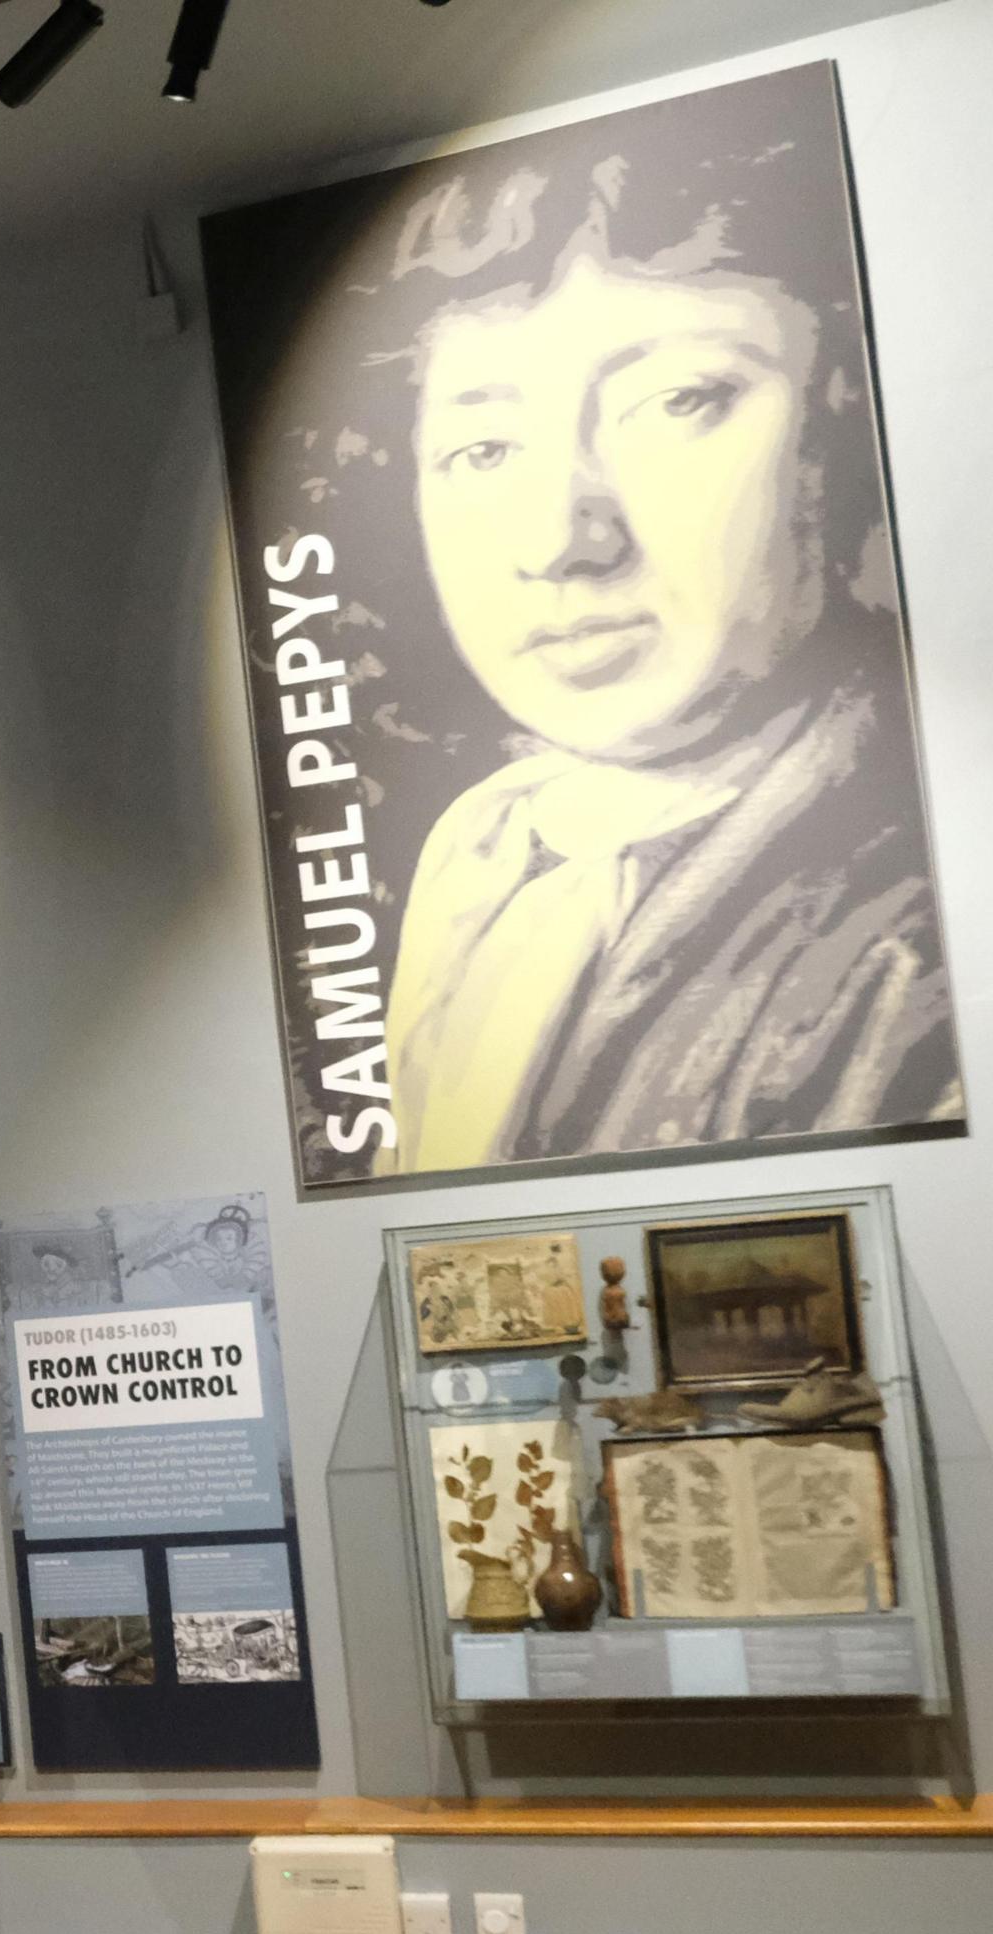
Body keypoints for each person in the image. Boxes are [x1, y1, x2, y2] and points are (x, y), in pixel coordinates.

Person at [368, 122, 959, 1171]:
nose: (559, 539)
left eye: (675, 402)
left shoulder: (922, 935)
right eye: (483, 447)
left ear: (834, 426)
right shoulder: (486, 854)